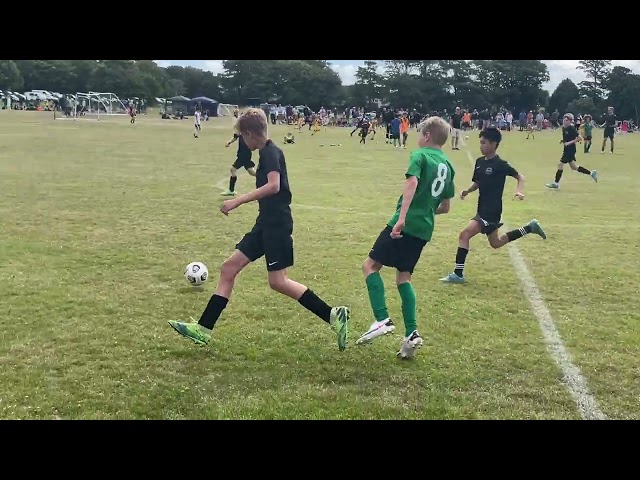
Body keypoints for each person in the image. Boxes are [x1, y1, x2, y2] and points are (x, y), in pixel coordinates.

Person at [168, 109, 350, 350]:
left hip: (277, 226)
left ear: (249, 133)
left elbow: (274, 186)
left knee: (278, 281)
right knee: (228, 268)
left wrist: (238, 200)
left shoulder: (271, 153)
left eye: (242, 136)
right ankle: (203, 329)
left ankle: (333, 315)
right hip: (265, 224)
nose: (242, 141)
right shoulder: (265, 153)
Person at [356, 117, 455, 359]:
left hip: (405, 223)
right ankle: (411, 333)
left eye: (420, 132)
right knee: (403, 277)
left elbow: (412, 182)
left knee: (370, 266)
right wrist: (426, 210)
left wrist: (402, 217)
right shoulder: (448, 166)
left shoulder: (420, 156)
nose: (418, 136)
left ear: (428, 136)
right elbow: (445, 206)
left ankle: (381, 319)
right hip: (424, 229)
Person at [441, 126, 547, 284]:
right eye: (480, 142)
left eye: (484, 143)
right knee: (496, 243)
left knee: (464, 235)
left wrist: (519, 191)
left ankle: (458, 274)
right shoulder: (479, 162)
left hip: (491, 210)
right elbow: (478, 182)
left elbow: (520, 177)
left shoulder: (501, 164)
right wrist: (467, 191)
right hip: (483, 208)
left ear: (494, 144)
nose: (481, 146)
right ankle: (529, 228)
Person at [545, 113, 598, 189]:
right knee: (574, 167)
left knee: (560, 164)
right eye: (564, 120)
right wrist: (563, 141)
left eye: (566, 120)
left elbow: (579, 138)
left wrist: (569, 143)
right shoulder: (564, 128)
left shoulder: (571, 128)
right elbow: (567, 138)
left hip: (570, 150)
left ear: (570, 121)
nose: (564, 121)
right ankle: (591, 173)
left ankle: (556, 183)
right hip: (567, 149)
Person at [221, 130, 256, 196]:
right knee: (251, 171)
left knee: (233, 169)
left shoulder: (248, 131)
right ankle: (264, 176)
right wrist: (229, 142)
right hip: (244, 153)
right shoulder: (241, 130)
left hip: (244, 154)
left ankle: (231, 190)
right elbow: (236, 136)